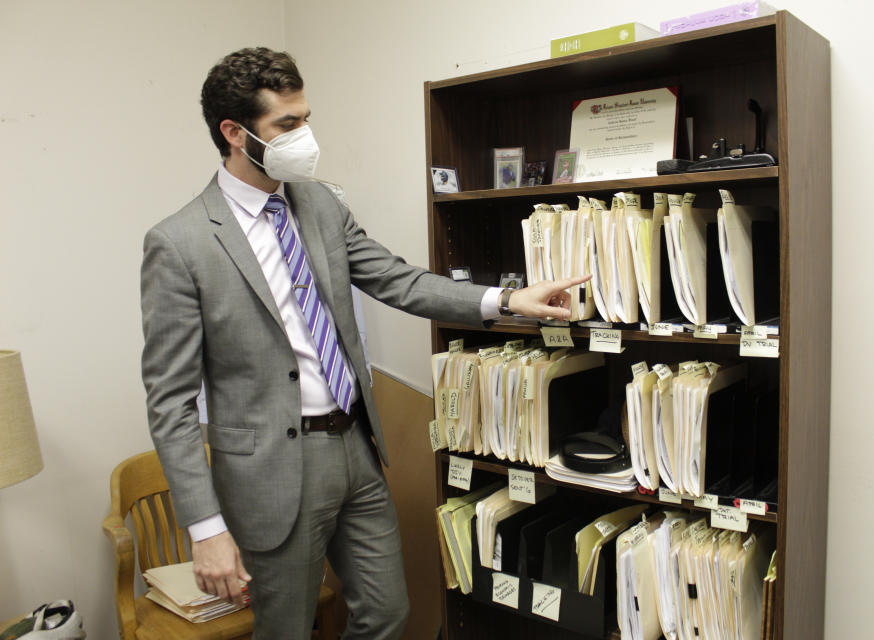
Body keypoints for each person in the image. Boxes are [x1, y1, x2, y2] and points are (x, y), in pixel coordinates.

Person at [139, 47, 588, 640]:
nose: (306, 136)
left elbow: (398, 280)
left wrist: (506, 302)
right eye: (287, 125)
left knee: (386, 613)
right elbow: (168, 404)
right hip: (272, 472)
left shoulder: (321, 204)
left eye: (306, 118)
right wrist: (205, 528)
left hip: (354, 444)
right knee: (286, 630)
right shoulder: (180, 243)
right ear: (234, 132)